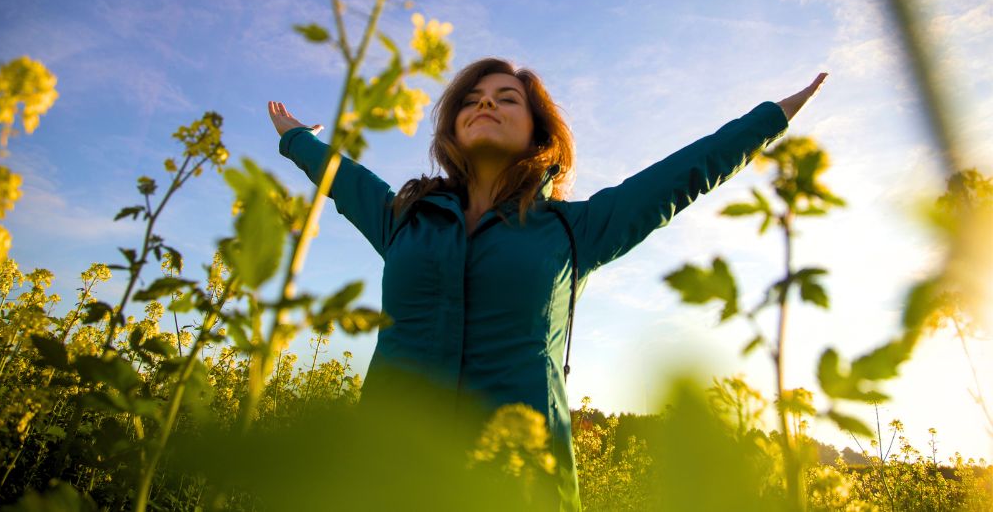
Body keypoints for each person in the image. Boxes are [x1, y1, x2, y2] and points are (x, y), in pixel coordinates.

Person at [268, 58, 827, 510]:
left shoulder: (573, 229)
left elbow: (682, 174)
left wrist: (774, 116)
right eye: (472, 97)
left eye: (506, 97)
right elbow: (342, 178)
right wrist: (294, 136)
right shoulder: (403, 216)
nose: (485, 101)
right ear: (452, 126)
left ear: (538, 130)